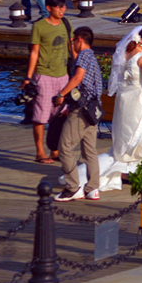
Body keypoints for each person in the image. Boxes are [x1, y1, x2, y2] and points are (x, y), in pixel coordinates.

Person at [66, 26, 142, 192]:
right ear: (140, 40)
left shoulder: (126, 55)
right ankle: (135, 172)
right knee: (140, 137)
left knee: (127, 136)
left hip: (125, 102)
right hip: (140, 102)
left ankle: (124, 171)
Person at [54, 27, 103, 202]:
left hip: (82, 111)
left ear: (80, 40)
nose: (72, 44)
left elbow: (78, 78)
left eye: (73, 41)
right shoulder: (93, 58)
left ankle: (73, 187)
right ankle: (93, 188)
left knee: (65, 147)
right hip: (93, 111)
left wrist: (61, 95)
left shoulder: (83, 55)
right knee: (90, 150)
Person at [25, 0, 73, 164]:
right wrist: (29, 77)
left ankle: (54, 150)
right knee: (40, 115)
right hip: (44, 75)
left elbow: (71, 49)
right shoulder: (39, 27)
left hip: (63, 76)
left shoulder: (66, 24)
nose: (62, 10)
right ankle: (39, 152)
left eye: (64, 6)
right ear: (48, 8)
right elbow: (34, 52)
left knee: (60, 114)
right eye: (59, 7)